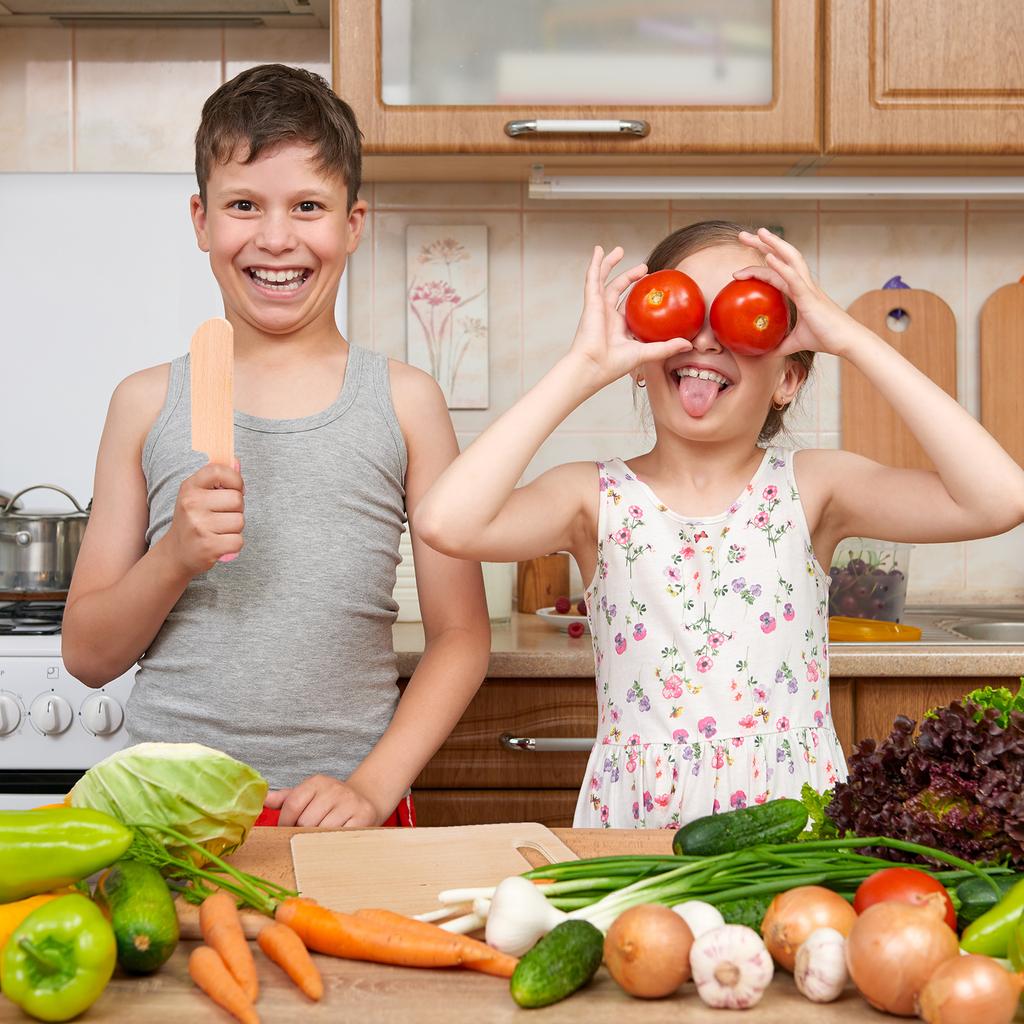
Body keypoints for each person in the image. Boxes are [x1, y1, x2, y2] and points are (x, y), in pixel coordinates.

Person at [415, 220, 1024, 829]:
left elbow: (998, 499)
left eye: (739, 314)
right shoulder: (591, 497)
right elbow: (447, 524)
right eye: (678, 315)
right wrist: (579, 368)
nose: (704, 338)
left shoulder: (813, 489)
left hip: (794, 820)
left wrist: (853, 339)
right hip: (636, 829)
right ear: (640, 354)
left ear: (788, 377)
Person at [61, 64, 490, 828]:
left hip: (344, 810)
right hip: (165, 810)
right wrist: (174, 558)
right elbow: (89, 656)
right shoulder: (144, 403)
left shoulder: (406, 402)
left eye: (307, 206)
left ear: (353, 223)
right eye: (244, 205)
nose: (276, 237)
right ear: (201, 220)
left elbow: (460, 637)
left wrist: (372, 786)